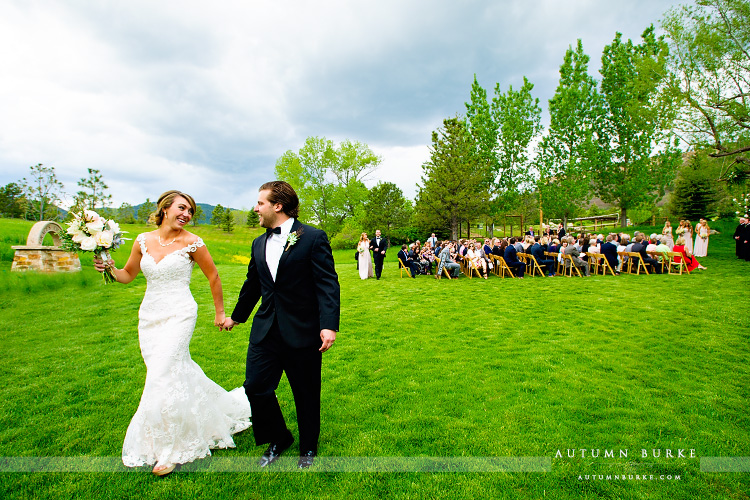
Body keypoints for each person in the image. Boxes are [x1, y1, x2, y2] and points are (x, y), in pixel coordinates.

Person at [94, 190, 252, 476]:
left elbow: (213, 275)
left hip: (180, 313)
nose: (187, 214)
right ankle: (214, 412)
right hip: (150, 315)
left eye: (190, 210)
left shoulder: (193, 242)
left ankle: (170, 450)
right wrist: (108, 267)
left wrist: (219, 312)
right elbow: (127, 275)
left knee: (162, 373)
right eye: (182, 208)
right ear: (165, 208)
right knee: (172, 372)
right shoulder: (143, 241)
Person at [224, 181, 340, 469]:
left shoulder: (312, 237)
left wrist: (329, 325)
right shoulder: (258, 242)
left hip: (303, 330)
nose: (255, 208)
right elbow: (253, 284)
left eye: (260, 203)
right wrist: (237, 316)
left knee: (306, 392)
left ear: (277, 206)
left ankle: (309, 447)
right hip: (266, 330)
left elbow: (327, 284)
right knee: (255, 387)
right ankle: (279, 436)